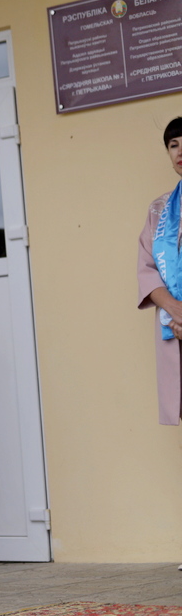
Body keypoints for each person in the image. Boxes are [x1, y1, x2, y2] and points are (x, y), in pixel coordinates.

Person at [137, 117, 182, 426]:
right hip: (176, 330)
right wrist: (176, 309)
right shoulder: (159, 209)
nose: (180, 151)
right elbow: (146, 268)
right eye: (173, 144)